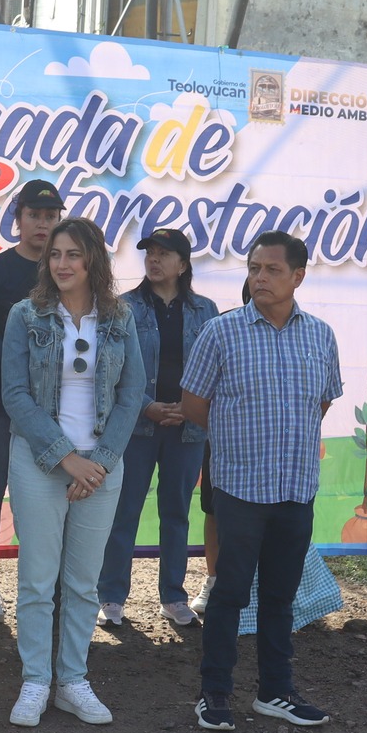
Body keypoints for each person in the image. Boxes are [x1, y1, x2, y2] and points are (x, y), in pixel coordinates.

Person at [180, 232, 342, 733]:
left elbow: (323, 401)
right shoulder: (221, 333)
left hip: (295, 490)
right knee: (228, 593)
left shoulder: (320, 335)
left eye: (272, 269)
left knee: (280, 595)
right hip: (240, 490)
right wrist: (240, 440)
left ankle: (275, 691)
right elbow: (193, 405)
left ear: (298, 276)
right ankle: (214, 694)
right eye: (254, 269)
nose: (260, 278)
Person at [1, 219, 146, 726]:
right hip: (41, 463)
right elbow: (14, 395)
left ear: (94, 263)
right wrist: (67, 457)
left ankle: (73, 681)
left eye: (73, 255)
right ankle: (36, 681)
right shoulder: (26, 315)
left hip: (101, 470)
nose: (61, 264)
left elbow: (132, 395)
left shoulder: (120, 319)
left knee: (83, 583)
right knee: (38, 581)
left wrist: (99, 462)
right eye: (55, 254)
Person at [97, 227, 218, 628]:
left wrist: (190, 407)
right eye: (150, 253)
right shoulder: (123, 307)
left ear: (183, 265)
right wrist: (146, 406)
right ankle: (111, 596)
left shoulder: (206, 310)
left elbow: (216, 369)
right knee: (124, 511)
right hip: (136, 426)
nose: (154, 260)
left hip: (187, 428)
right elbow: (111, 368)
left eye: (165, 254)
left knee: (176, 513)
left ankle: (173, 596)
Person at [0, 179, 64, 624]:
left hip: (54, 404)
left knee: (48, 490)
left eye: (50, 216)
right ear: (18, 219)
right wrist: (21, 377)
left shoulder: (66, 271)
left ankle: (46, 584)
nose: (42, 224)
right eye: (34, 215)